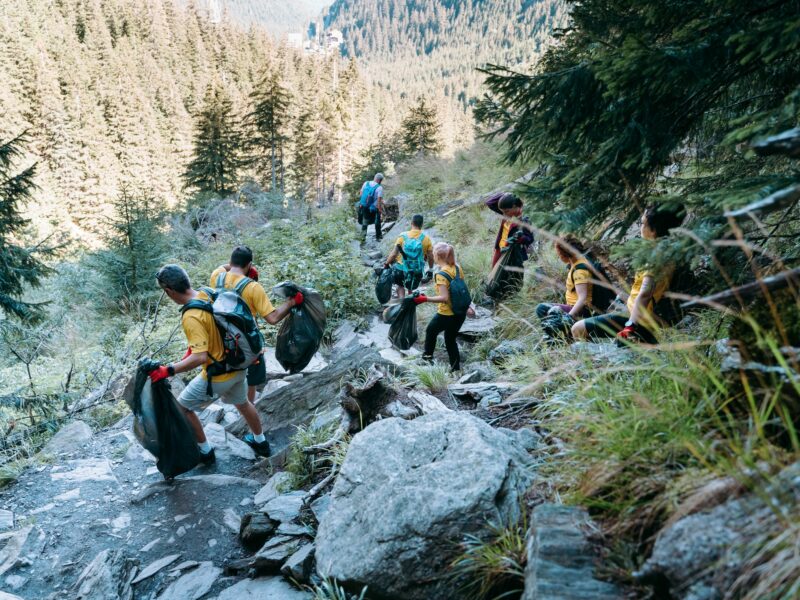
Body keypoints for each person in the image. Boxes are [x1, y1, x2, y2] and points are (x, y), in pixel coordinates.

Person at [149, 264, 301, 463]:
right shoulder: (207, 293)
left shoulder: (191, 315)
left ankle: (205, 452)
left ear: (168, 291)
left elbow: (200, 357)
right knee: (244, 403)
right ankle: (261, 442)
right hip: (238, 366)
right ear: (187, 280)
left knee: (182, 408)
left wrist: (168, 370)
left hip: (218, 375)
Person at [571, 206, 684, 344]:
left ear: (654, 230)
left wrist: (630, 326)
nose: (641, 227)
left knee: (577, 329)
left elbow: (645, 294)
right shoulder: (665, 250)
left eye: (642, 224)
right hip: (636, 315)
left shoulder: (654, 256)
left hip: (639, 321)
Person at [210, 246, 295, 427]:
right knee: (252, 379)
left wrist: (237, 266)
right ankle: (246, 414)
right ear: (249, 265)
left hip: (222, 340)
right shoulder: (253, 287)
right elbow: (272, 318)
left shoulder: (216, 276)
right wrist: (292, 302)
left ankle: (234, 405)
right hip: (248, 345)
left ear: (231, 261)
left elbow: (223, 266)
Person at [413, 242, 469, 372]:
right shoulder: (457, 268)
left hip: (447, 313)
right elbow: (460, 289)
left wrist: (425, 298)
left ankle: (427, 358)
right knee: (450, 339)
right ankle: (455, 369)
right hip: (460, 312)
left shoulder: (441, 275)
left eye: (433, 254)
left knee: (431, 331)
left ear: (437, 257)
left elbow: (444, 298)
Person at [535, 235, 594, 338]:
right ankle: (562, 337)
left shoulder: (579, 271)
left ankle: (561, 339)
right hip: (574, 307)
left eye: (559, 254)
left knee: (542, 308)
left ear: (565, 254)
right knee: (549, 310)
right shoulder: (578, 261)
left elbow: (582, 298)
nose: (559, 256)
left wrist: (569, 316)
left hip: (581, 311)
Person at [383, 214, 434, 300]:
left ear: (411, 223)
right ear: (421, 224)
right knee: (411, 285)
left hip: (401, 269)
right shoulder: (426, 239)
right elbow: (430, 256)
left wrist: (386, 264)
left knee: (399, 285)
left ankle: (402, 301)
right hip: (417, 270)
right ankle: (410, 299)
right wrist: (431, 269)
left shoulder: (403, 236)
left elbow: (394, 254)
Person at [486, 192, 534, 267]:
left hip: (512, 253)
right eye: (503, 212)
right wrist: (507, 195)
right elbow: (489, 202)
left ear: (514, 206)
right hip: (500, 249)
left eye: (506, 212)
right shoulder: (508, 212)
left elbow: (530, 239)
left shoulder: (524, 220)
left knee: (511, 275)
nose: (504, 215)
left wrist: (520, 238)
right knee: (494, 275)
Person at [358, 172, 385, 241]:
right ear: (380, 180)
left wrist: (363, 202)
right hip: (373, 207)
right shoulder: (379, 188)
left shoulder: (366, 183)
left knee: (365, 221)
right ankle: (378, 237)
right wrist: (380, 210)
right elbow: (379, 201)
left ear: (374, 178)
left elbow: (361, 194)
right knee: (377, 221)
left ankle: (362, 238)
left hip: (364, 206)